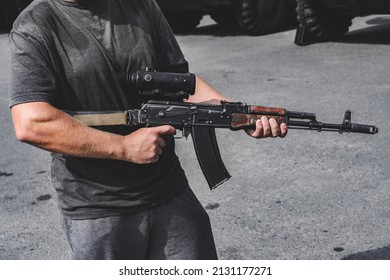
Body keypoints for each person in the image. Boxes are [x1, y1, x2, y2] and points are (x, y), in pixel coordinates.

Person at [9, 0, 287, 260]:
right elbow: (32, 122)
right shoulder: (35, 25)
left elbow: (180, 84)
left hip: (169, 192)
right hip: (98, 208)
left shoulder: (140, 5)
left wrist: (236, 113)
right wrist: (124, 148)